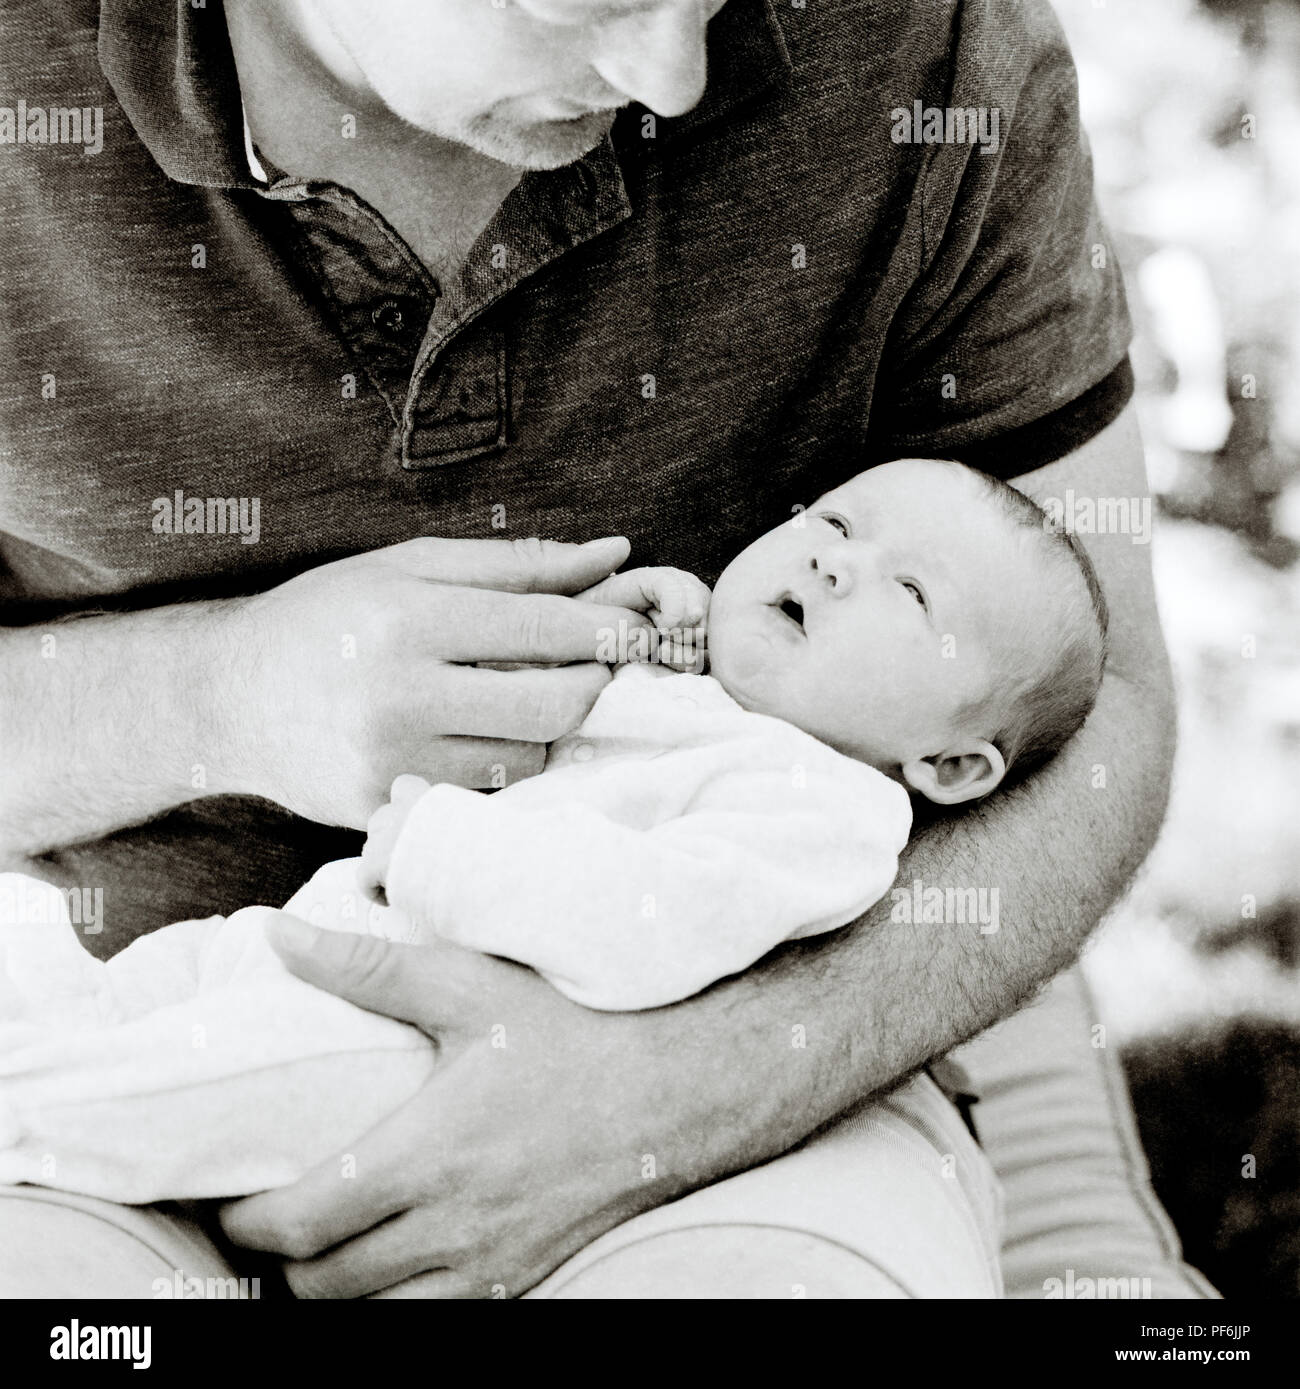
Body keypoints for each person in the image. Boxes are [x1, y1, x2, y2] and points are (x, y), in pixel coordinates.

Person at [0, 0, 1174, 1297]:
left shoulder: (926, 48)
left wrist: (695, 1081)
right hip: (125, 1017)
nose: (672, 78)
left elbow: (1098, 696)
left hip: (759, 1088)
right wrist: (211, 699)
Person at [0, 458, 1107, 1207]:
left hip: (426, 1053)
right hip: (313, 942)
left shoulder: (827, 813)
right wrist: (645, 632)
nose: (832, 560)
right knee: (124, 989)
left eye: (908, 591)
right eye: (831, 522)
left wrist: (440, 846)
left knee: (176, 1088)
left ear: (950, 766)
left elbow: (644, 921)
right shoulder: (704, 696)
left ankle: (30, 1128)